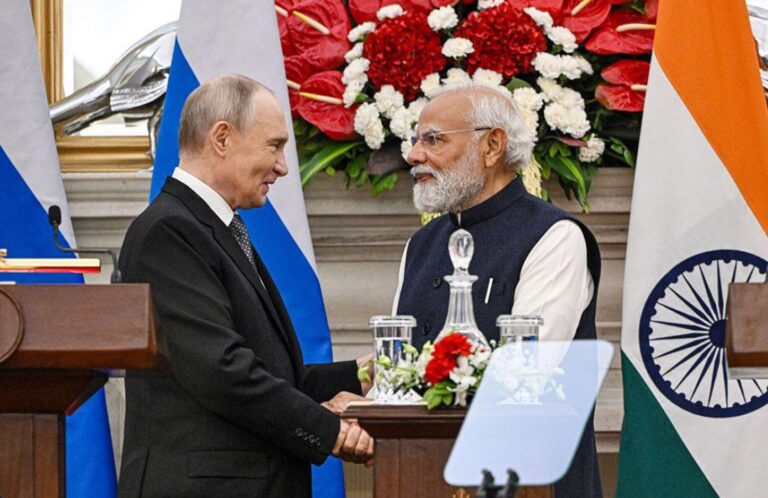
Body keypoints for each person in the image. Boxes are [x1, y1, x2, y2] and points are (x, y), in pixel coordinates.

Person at [118, 74, 372, 498]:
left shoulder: (214, 226)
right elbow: (222, 370)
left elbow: (270, 372)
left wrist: (363, 374)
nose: (283, 166)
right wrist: (333, 432)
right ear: (222, 138)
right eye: (274, 145)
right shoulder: (170, 231)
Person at [393, 84, 602, 497]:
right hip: (425, 475)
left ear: (492, 146)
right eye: (415, 140)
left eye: (432, 139)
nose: (414, 155)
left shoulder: (554, 237)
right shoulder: (421, 244)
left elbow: (524, 378)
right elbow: (398, 368)